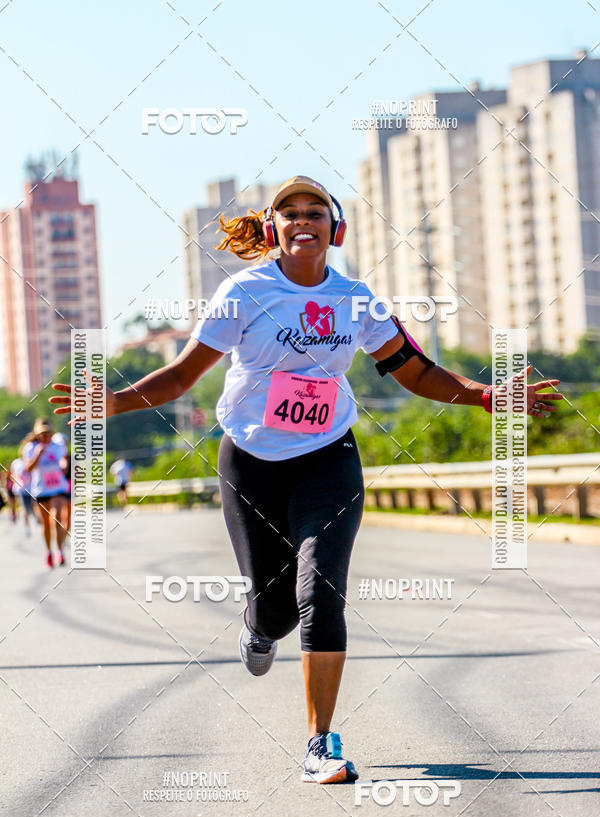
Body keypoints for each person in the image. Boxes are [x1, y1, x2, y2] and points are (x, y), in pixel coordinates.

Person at [49, 175, 564, 784]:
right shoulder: (243, 293)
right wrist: (115, 402)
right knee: (274, 608)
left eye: (314, 210)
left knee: (320, 590)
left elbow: (416, 372)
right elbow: (184, 375)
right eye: (289, 211)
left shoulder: (357, 300)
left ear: (333, 228)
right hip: (251, 463)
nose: (303, 219)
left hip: (328, 457)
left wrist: (484, 396)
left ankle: (320, 742)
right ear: (273, 228)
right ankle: (257, 628)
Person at [21, 418, 70, 568]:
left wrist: (63, 464)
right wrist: (37, 454)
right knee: (46, 525)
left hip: (58, 488)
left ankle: (60, 551)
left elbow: (63, 460)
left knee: (56, 519)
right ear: (37, 434)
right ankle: (49, 551)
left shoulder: (58, 446)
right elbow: (28, 469)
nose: (46, 437)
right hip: (41, 489)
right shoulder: (30, 448)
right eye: (42, 434)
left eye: (48, 433)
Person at [10, 453, 34, 535]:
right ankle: (27, 527)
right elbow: (12, 475)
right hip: (21, 490)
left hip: (33, 490)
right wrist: (17, 480)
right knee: (25, 509)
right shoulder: (16, 463)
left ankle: (37, 522)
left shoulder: (32, 460)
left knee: (33, 508)